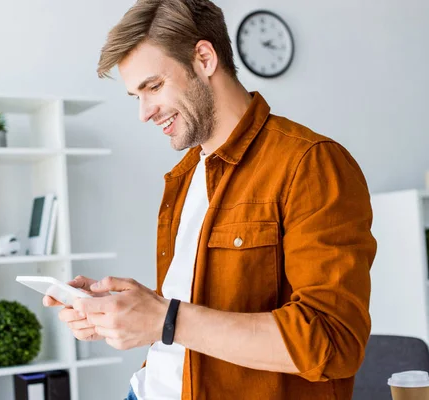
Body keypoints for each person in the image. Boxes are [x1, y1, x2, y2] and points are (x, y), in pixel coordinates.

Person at [43, 0, 377, 399]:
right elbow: (192, 312)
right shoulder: (185, 176)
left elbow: (334, 341)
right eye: (136, 96)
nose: (144, 113)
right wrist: (128, 313)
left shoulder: (309, 163)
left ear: (204, 58)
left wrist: (164, 319)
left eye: (153, 86)